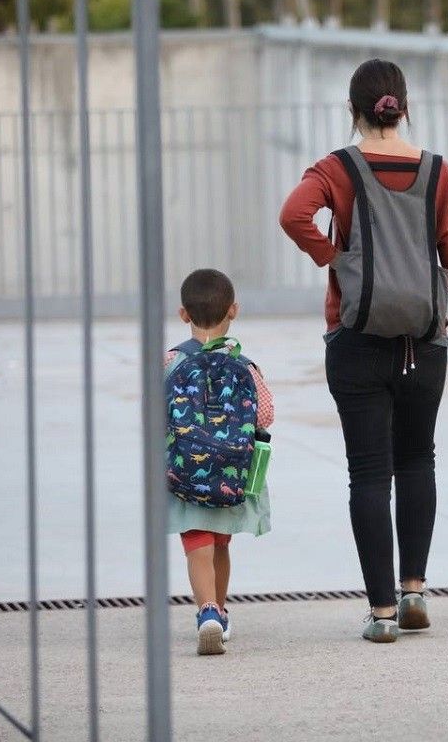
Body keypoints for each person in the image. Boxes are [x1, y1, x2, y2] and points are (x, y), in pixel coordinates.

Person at [279, 59, 448, 642]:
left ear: (354, 110)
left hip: (356, 342)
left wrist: (336, 261)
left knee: (368, 472)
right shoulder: (438, 172)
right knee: (417, 459)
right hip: (425, 344)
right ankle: (415, 590)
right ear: (403, 104)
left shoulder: (337, 169)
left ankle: (380, 614)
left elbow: (293, 214)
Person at [165, 269, 275, 655]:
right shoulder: (245, 366)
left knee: (197, 543)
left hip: (185, 475)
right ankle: (221, 611)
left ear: (183, 314)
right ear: (234, 311)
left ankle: (206, 610)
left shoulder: (171, 363)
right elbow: (264, 416)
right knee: (221, 545)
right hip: (231, 476)